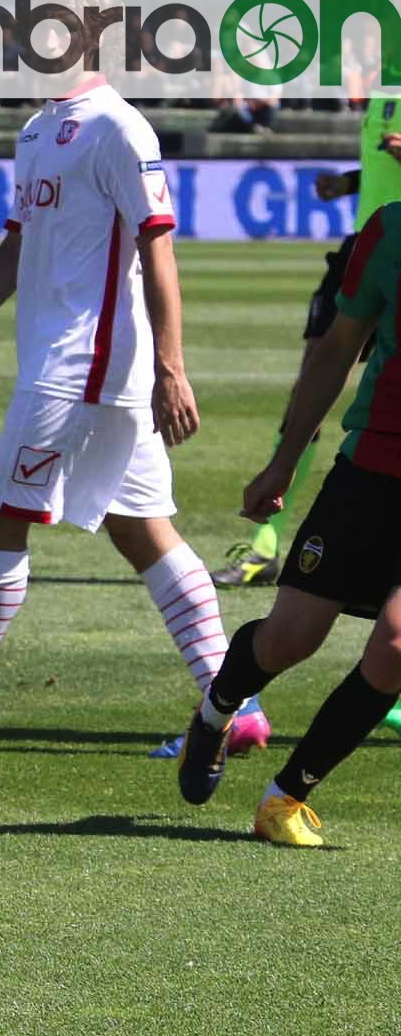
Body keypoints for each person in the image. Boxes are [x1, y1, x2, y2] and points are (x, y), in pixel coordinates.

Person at [0, 73, 272, 756]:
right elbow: (18, 246)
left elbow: (157, 244)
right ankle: (235, 705)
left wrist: (171, 366)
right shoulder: (39, 128)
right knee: (140, 529)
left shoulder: (118, 128)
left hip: (79, 371)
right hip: (80, 371)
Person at [173, 203, 401, 846]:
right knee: (288, 640)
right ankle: (215, 714)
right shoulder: (389, 231)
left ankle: (286, 797)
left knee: (395, 647)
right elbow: (335, 351)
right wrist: (283, 462)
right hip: (370, 473)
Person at [212, 100, 401, 592]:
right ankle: (265, 544)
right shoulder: (384, 91)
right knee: (312, 378)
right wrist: (350, 183)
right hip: (366, 246)